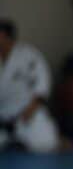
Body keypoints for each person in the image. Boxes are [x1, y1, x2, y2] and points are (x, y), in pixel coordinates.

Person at [0, 19, 59, 153]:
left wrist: (32, 108)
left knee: (46, 142)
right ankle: (11, 141)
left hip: (26, 113)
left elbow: (42, 84)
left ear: (8, 37)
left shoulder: (29, 56)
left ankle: (21, 140)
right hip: (2, 115)